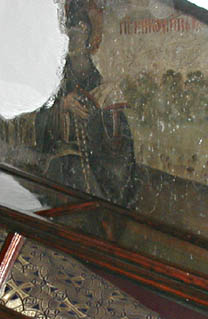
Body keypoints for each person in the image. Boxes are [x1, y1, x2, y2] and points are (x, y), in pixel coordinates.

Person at [35, 0, 137, 207]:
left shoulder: (98, 81)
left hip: (95, 164)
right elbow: (35, 120)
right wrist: (62, 107)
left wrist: (108, 115)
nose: (75, 41)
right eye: (71, 34)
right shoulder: (53, 78)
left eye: (81, 33)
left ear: (89, 38)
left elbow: (120, 146)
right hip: (61, 162)